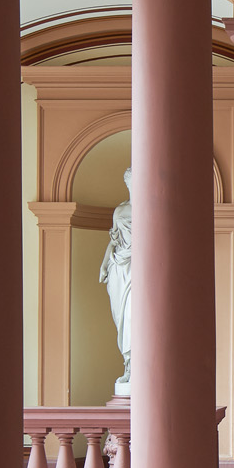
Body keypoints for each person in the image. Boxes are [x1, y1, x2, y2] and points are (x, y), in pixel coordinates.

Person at [99, 168, 135, 395]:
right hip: (118, 266)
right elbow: (114, 239)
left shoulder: (150, 206)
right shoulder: (120, 209)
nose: (132, 185)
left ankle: (137, 367)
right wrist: (104, 263)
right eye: (129, 181)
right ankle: (128, 365)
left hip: (138, 267)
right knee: (121, 318)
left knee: (133, 315)